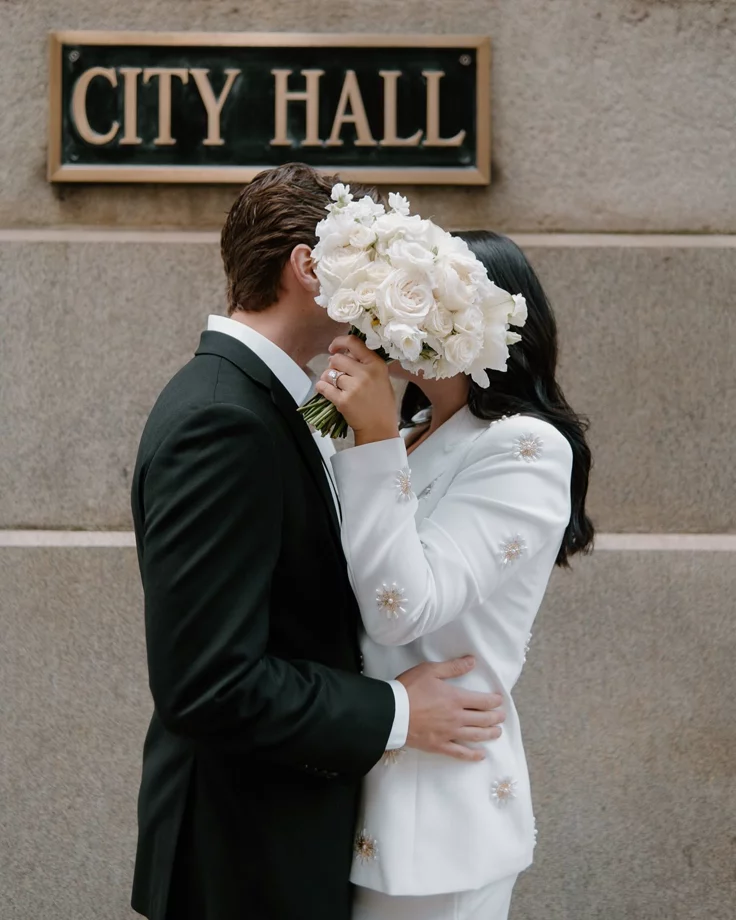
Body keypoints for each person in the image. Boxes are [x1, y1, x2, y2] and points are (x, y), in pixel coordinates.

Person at [129, 167, 507, 920]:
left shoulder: (266, 402)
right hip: (240, 856)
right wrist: (395, 712)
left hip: (276, 837)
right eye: (378, 259)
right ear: (309, 266)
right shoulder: (223, 421)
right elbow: (207, 682)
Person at [315, 230, 595, 920]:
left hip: (433, 812)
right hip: (347, 782)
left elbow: (401, 609)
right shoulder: (406, 431)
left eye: (426, 300)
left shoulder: (525, 447)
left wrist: (374, 440)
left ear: (480, 323)